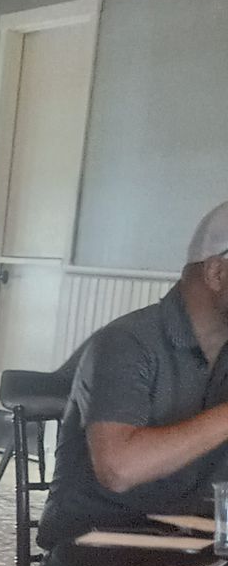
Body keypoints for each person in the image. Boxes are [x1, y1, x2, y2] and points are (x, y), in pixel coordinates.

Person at [38, 200, 228, 547]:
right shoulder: (126, 342)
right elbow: (119, 470)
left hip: (194, 545)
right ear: (216, 273)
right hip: (97, 550)